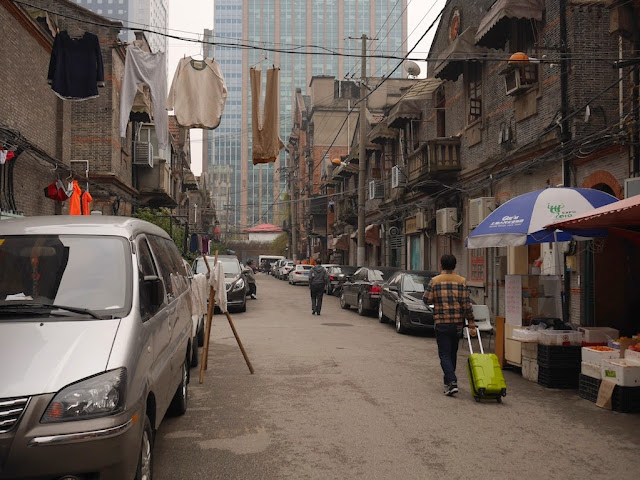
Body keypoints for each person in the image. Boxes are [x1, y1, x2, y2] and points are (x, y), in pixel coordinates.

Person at [423, 254, 476, 397]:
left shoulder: (435, 281)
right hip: (457, 324)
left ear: (441, 265)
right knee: (452, 353)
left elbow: (426, 299)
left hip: (442, 322)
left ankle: (452, 381)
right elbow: (467, 304)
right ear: (455, 265)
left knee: (444, 354)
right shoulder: (461, 281)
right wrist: (471, 321)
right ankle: (448, 384)